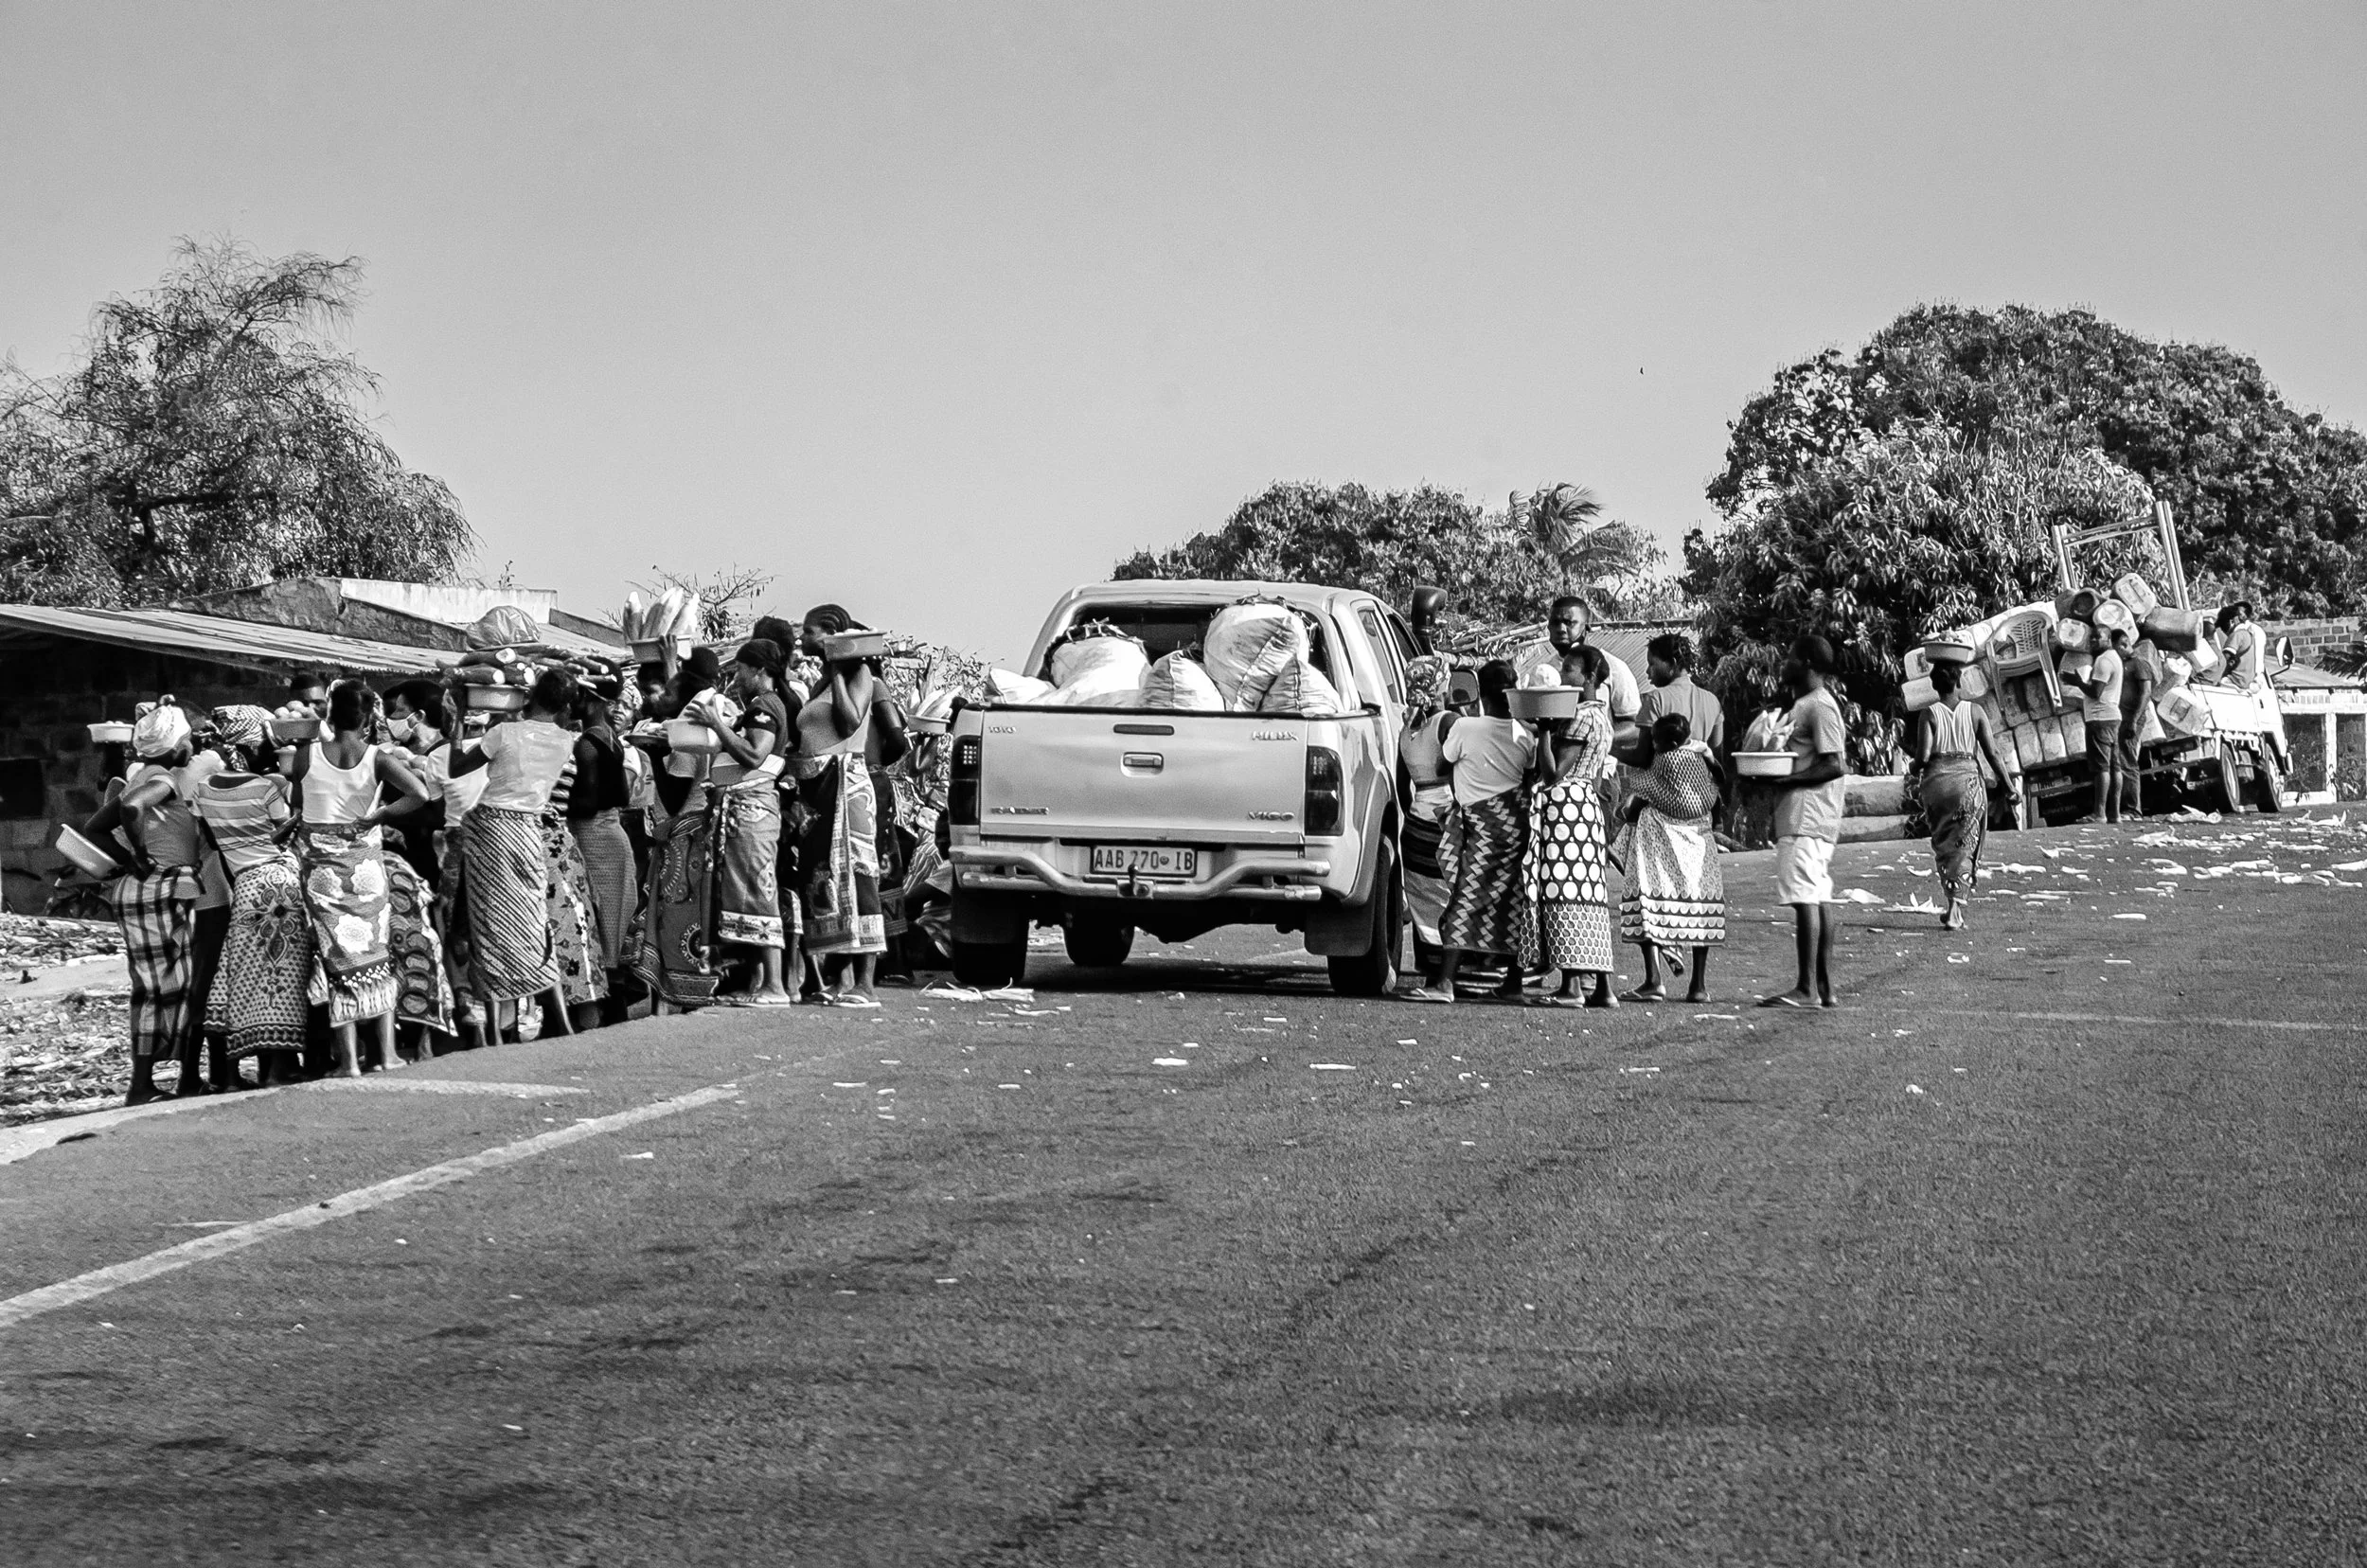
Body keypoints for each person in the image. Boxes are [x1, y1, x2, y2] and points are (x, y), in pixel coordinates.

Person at [284, 679, 436, 1076]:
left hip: (321, 873)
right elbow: (419, 794)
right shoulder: (378, 758)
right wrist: (380, 815)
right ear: (368, 718)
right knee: (376, 956)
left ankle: (348, 1061)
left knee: (336, 960)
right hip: (367, 869)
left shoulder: (305, 755)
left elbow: (298, 806)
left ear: (329, 715)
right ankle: (387, 1055)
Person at [80, 701, 209, 1103]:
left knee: (150, 987)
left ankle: (143, 1083)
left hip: (140, 890)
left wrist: (132, 863)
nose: (192, 745)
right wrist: (139, 856)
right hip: (166, 887)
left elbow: (94, 827)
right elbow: (133, 809)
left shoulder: (141, 776)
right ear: (174, 746)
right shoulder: (163, 781)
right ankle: (184, 1079)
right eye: (188, 739)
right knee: (186, 984)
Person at [448, 670, 581, 1037]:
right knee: (533, 920)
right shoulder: (566, 740)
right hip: (527, 832)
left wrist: (459, 718)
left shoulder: (503, 733)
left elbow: (456, 767)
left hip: (491, 830)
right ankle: (556, 1017)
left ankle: (493, 1031)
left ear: (531, 695)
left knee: (488, 923)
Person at [193, 707, 313, 1088]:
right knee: (282, 979)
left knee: (238, 979)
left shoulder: (204, 789)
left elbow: (213, 841)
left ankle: (231, 1074)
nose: (272, 750)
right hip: (279, 882)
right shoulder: (267, 787)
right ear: (250, 745)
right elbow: (282, 834)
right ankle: (277, 1069)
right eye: (267, 743)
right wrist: (300, 814)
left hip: (243, 887)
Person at [1405, 661, 1534, 1005]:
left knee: (1466, 899)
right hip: (1517, 825)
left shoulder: (1464, 728)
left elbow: (1441, 766)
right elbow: (1531, 776)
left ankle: (1445, 982)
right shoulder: (1525, 734)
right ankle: (1513, 983)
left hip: (1482, 827)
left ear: (1480, 690)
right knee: (1513, 900)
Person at [794, 608, 890, 1006]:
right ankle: (842, 976)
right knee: (828, 880)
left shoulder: (860, 675)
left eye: (809, 631)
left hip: (847, 788)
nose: (802, 637)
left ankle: (866, 982)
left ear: (831, 634)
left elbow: (850, 722)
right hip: (819, 789)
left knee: (859, 878)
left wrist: (836, 668)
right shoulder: (817, 681)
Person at [693, 639, 795, 1007]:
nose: (736, 678)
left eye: (740, 670)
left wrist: (716, 726)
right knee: (747, 890)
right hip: (742, 811)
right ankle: (760, 984)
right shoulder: (758, 706)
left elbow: (753, 754)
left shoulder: (765, 705)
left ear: (761, 671)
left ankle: (775, 987)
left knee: (759, 890)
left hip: (753, 810)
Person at [1526, 646, 1619, 1008]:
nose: (1563, 677)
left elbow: (1552, 773)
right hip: (1587, 806)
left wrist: (1545, 731)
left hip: (1565, 807)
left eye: (1569, 671)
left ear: (1591, 677)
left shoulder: (1579, 717)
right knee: (1590, 894)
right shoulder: (1603, 717)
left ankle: (1571, 987)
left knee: (1564, 892)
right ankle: (1603, 987)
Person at [1757, 636, 1847, 1009]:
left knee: (1807, 897)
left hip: (1807, 815)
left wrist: (1785, 781)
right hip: (1806, 815)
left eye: (1791, 655)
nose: (1785, 661)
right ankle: (1824, 988)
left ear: (1807, 661)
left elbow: (1834, 763)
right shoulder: (1804, 705)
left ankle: (1806, 988)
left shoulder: (1819, 706)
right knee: (1817, 894)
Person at [1616, 713, 1727, 1002]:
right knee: (1701, 907)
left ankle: (1653, 980)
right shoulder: (1702, 759)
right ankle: (1698, 986)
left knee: (1648, 899)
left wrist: (1628, 810)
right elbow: (1715, 787)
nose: (1651, 745)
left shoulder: (1665, 761)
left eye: (1654, 741)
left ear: (1668, 743)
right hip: (1698, 840)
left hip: (1661, 839)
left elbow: (1644, 791)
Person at [1915, 663, 2018, 931]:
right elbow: (1992, 754)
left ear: (1935, 686)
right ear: (1958, 683)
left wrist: (1913, 767)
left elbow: (1923, 757)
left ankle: (1952, 904)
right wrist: (2008, 787)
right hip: (1968, 785)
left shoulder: (1929, 714)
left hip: (1937, 785)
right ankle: (1954, 909)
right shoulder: (1976, 711)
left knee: (1944, 843)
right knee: (1964, 844)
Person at [564, 681, 640, 1021]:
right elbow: (622, 798)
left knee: (593, 923)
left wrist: (556, 795)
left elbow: (587, 802)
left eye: (578, 696)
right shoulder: (611, 738)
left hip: (593, 839)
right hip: (613, 835)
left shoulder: (586, 745)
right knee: (611, 928)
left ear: (591, 700)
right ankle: (614, 1013)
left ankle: (603, 1013)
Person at [1394, 654, 1457, 989]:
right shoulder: (1448, 723)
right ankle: (1449, 975)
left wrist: (1415, 815)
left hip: (1416, 824)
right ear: (1442, 684)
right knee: (1452, 897)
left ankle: (1434, 973)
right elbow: (1459, 770)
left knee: (1424, 903)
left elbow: (1402, 783)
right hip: (1445, 819)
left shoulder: (1408, 729)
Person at [1522, 597, 1641, 725]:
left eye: (1569, 622)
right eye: (1555, 622)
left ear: (1586, 627)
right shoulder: (1543, 672)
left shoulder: (1613, 667)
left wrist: (1594, 738)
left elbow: (1635, 727)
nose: (1561, 629)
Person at [2219, 599, 2290, 771]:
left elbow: (2250, 660)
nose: (2238, 616)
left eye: (2241, 613)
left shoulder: (2247, 632)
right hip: (2252, 682)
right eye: (2236, 613)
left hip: (2249, 682)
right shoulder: (2243, 633)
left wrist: (2254, 677)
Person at [2065, 629, 2126, 825]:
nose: (2093, 640)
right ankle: (2115, 814)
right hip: (2112, 717)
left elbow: (2095, 692)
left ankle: (2099, 813)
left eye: (2097, 637)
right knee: (2115, 766)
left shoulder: (2103, 661)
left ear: (2108, 639)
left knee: (2102, 768)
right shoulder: (2114, 657)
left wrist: (2077, 682)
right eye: (2091, 636)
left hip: (2100, 719)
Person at [1635, 633, 1723, 754]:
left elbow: (1642, 756)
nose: (1647, 671)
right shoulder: (1712, 700)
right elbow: (1717, 752)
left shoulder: (1656, 699)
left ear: (1673, 663)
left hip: (1664, 772)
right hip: (1699, 771)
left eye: (1652, 664)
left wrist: (1611, 748)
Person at [2115, 632, 2160, 820]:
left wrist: (2134, 720)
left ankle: (2133, 809)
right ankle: (2122, 807)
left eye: (2115, 648)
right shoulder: (2122, 665)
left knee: (2128, 761)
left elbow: (2145, 693)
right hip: (2120, 718)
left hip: (2132, 718)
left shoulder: (2139, 664)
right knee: (2120, 761)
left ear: (2124, 644)